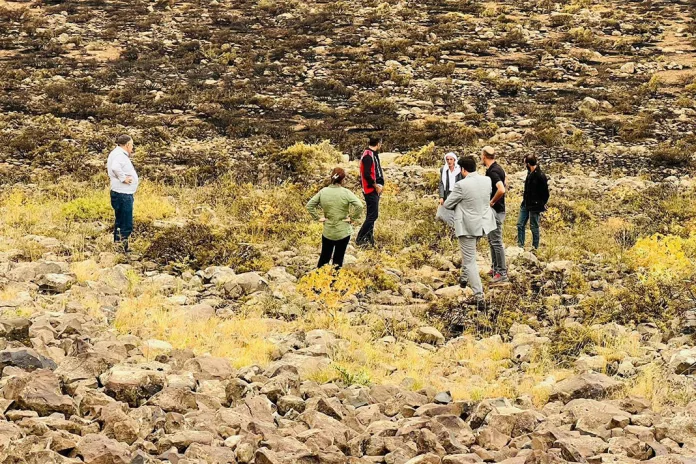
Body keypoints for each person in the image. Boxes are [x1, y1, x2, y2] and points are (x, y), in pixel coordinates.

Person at [443, 156, 497, 308]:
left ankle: (479, 295)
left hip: (467, 227)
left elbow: (447, 204)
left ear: (463, 169)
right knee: (470, 256)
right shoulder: (486, 180)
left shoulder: (461, 185)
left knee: (470, 261)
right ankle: (464, 279)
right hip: (483, 224)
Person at [306, 167, 364, 269]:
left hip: (328, 231)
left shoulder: (323, 191)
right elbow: (360, 206)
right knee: (338, 259)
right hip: (343, 231)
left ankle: (320, 279)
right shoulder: (346, 192)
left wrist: (318, 218)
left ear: (331, 177)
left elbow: (309, 205)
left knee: (324, 257)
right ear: (342, 179)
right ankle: (335, 281)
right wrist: (352, 218)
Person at [480, 146, 508, 285]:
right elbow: (505, 184)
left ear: (484, 156)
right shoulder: (498, 168)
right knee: (492, 240)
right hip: (498, 209)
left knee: (496, 241)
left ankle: (502, 272)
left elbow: (501, 189)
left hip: (495, 211)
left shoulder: (493, 172)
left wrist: (492, 201)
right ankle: (495, 267)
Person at [107, 135, 139, 252]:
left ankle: (118, 245)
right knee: (126, 222)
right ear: (127, 145)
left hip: (119, 192)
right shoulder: (120, 156)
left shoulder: (115, 153)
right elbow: (115, 167)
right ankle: (122, 248)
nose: (132, 148)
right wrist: (123, 178)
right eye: (132, 145)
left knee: (120, 220)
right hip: (123, 193)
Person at [356, 136, 384, 247]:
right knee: (373, 215)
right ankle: (360, 238)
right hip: (370, 189)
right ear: (378, 143)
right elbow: (367, 174)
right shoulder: (368, 155)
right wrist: (375, 186)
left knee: (370, 215)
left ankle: (369, 238)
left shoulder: (372, 154)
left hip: (373, 189)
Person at [517, 154, 550, 250]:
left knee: (534, 227)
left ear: (528, 163)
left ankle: (535, 248)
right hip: (526, 203)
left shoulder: (540, 176)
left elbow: (546, 194)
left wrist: (540, 204)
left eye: (525, 163)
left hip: (535, 206)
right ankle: (520, 246)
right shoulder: (529, 173)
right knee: (520, 224)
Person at [435, 152, 463, 228]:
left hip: (456, 194)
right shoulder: (443, 170)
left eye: (451, 159)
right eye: (447, 159)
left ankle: (454, 227)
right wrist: (441, 196)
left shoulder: (459, 170)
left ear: (454, 160)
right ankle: (443, 227)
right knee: (441, 211)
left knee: (455, 211)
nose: (449, 161)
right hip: (447, 194)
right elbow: (441, 183)